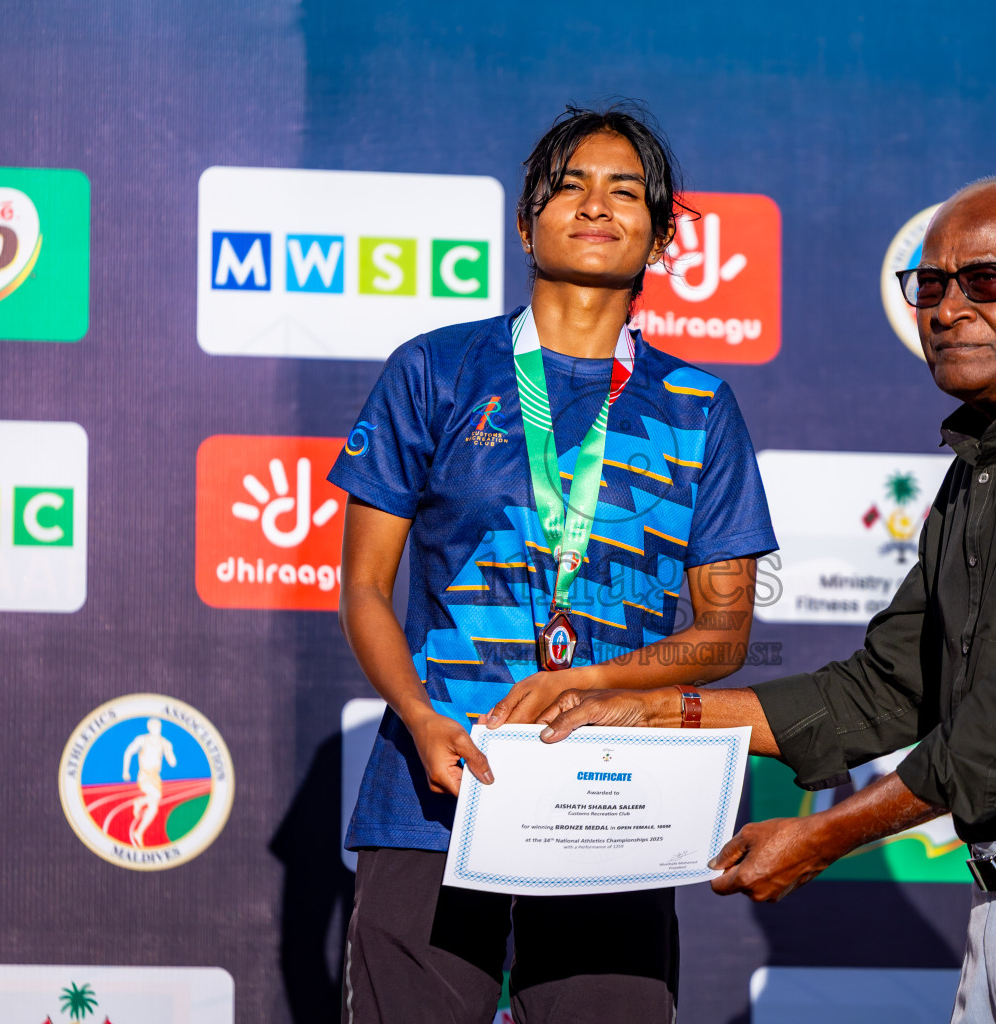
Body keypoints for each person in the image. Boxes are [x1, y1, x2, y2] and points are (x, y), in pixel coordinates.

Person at [516, 177, 996, 1023]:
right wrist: (659, 715)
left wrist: (827, 835)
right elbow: (883, 688)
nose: (947, 309)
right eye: (930, 286)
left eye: (985, 280)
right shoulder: (980, 470)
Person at [331, 104, 777, 1024]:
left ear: (659, 237)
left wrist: (601, 682)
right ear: (526, 220)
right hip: (436, 786)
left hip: (611, 796)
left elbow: (726, 632)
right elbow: (365, 587)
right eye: (569, 184)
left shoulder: (699, 407)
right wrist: (419, 716)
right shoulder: (436, 370)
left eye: (625, 190)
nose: (595, 203)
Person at [122, 717, 175, 848]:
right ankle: (139, 801)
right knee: (156, 796)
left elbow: (172, 762)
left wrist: (169, 752)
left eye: (158, 726)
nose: (156, 729)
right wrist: (126, 771)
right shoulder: (142, 739)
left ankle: (139, 832)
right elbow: (128, 752)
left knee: (153, 809)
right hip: (144, 775)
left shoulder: (165, 742)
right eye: (153, 726)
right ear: (149, 728)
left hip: (156, 777)